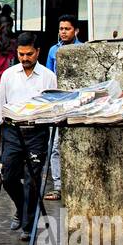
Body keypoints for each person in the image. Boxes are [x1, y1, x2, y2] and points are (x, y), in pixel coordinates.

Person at [0, 32, 57, 241]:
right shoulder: (9, 75)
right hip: (12, 131)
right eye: (21, 54)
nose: (25, 58)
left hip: (36, 132)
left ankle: (28, 226)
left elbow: (53, 108)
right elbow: (0, 103)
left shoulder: (48, 77)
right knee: (8, 176)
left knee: (32, 180)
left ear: (37, 52)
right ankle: (21, 207)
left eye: (29, 54)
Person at [44, 14, 82, 199]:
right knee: (56, 145)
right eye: (61, 29)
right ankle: (58, 186)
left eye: (67, 29)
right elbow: (49, 77)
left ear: (76, 30)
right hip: (57, 102)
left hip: (77, 102)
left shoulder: (83, 50)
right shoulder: (53, 51)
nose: (63, 32)